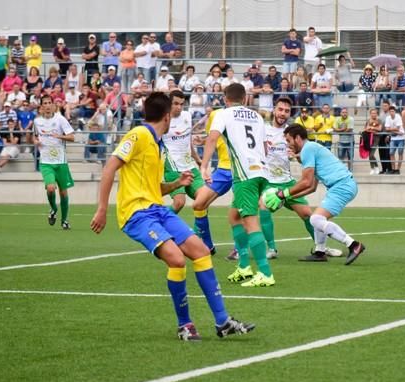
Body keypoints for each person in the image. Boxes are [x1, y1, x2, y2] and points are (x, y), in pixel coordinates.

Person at [90, 91, 255, 341]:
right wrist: (102, 208)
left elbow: (153, 188)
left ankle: (223, 322)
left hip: (156, 208)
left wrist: (176, 182)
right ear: (167, 117)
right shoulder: (138, 135)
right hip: (136, 214)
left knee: (199, 251)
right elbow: (110, 167)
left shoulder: (157, 144)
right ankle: (185, 325)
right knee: (177, 259)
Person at [200, 83, 275, 288]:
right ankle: (243, 267)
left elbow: (212, 138)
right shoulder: (257, 116)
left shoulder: (224, 114)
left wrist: (204, 166)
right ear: (246, 98)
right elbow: (265, 147)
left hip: (245, 175)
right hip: (261, 171)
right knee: (234, 216)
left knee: (250, 220)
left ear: (226, 98)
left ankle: (265, 272)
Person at [266, 123, 366, 265]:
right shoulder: (311, 149)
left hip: (341, 186)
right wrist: (289, 197)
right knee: (317, 218)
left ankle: (353, 245)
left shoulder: (308, 149)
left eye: (289, 140)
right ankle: (320, 252)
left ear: (298, 138)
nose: (288, 145)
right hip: (343, 185)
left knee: (315, 219)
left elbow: (305, 182)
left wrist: (281, 194)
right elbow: (312, 187)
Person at [260, 97, 343, 259]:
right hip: (269, 181)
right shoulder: (263, 130)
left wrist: (296, 156)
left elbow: (303, 158)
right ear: (274, 110)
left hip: (287, 181)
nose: (283, 113)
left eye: (286, 111)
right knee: (263, 207)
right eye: (280, 109)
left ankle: (321, 248)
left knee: (307, 215)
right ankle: (271, 249)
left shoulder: (292, 132)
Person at [162, 91, 216, 253]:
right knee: (179, 203)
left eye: (181, 103)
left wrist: (198, 160)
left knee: (203, 199)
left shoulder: (187, 116)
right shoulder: (163, 120)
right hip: (172, 167)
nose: (179, 107)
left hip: (190, 166)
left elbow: (187, 141)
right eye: (175, 103)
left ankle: (203, 240)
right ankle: (157, 226)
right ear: (169, 104)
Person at [34, 95, 76, 229]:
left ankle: (64, 220)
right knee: (51, 188)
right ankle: (53, 209)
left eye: (49, 103)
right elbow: (35, 137)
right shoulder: (37, 122)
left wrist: (60, 136)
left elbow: (72, 137)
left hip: (61, 162)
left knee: (63, 192)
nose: (47, 105)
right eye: (44, 103)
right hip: (46, 162)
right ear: (41, 107)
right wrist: (36, 142)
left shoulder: (60, 119)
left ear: (53, 105)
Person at [384, 105, 405, 174]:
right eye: (390, 111)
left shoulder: (398, 116)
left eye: (393, 111)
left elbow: (398, 128)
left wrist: (391, 130)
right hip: (393, 138)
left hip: (401, 138)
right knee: (391, 153)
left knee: (400, 153)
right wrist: (395, 131)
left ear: (395, 112)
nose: (391, 113)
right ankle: (393, 169)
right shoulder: (388, 118)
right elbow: (386, 129)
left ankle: (398, 169)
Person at [362, 107, 382, 174]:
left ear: (377, 114)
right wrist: (372, 129)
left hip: (376, 138)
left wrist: (372, 128)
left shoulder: (379, 120)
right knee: (370, 154)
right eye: (372, 113)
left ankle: (375, 167)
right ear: (370, 114)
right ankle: (373, 168)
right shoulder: (368, 120)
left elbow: (379, 129)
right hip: (368, 138)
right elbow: (366, 129)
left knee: (371, 154)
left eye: (375, 113)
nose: (374, 114)